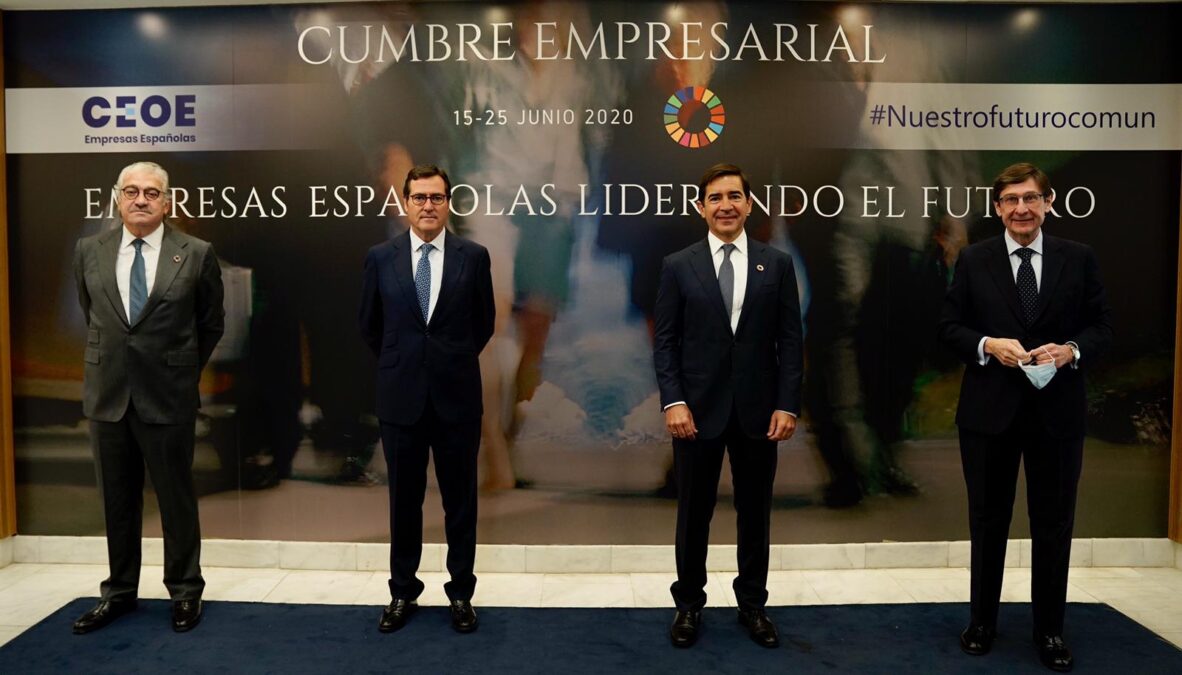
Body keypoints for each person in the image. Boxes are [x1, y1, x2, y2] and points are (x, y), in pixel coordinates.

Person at [939, 162, 1112, 672]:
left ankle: (1050, 631)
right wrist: (987, 344)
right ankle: (982, 622)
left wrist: (1072, 351)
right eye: (1011, 200)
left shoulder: (1078, 259)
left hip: (1057, 416)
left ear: (1048, 203)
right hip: (988, 416)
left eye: (1030, 199)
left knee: (1054, 525)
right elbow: (948, 327)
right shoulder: (974, 260)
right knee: (987, 522)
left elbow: (1104, 326)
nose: (1021, 208)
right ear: (998, 208)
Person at [653, 164, 803, 648]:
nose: (725, 205)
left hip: (760, 414)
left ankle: (753, 605)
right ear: (701, 208)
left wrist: (787, 405)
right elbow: (666, 343)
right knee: (693, 514)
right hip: (694, 413)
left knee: (755, 512)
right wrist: (673, 401)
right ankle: (688, 605)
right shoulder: (678, 265)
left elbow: (791, 342)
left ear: (749, 204)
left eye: (734, 196)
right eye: (715, 198)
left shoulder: (775, 265)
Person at [71, 161, 224, 634]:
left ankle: (184, 592)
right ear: (117, 198)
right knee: (117, 500)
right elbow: (91, 311)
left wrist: (180, 370)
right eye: (132, 191)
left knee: (176, 500)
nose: (141, 199)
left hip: (168, 395)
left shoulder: (196, 253)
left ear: (167, 201)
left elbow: (210, 324)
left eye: (151, 193)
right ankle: (118, 592)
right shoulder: (88, 250)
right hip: (108, 396)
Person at [359, 165, 495, 634]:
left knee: (460, 503)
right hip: (401, 400)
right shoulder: (381, 257)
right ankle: (402, 592)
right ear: (405, 202)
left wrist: (447, 361)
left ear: (448, 203)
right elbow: (370, 327)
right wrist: (408, 364)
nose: (428, 206)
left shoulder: (473, 257)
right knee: (404, 503)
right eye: (419, 197)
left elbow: (483, 324)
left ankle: (461, 594)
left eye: (437, 197)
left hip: (457, 398)